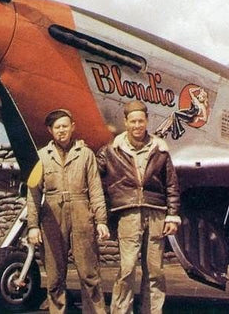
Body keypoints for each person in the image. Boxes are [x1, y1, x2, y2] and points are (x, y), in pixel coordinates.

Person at [97, 100, 181, 314]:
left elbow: (171, 183)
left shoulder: (160, 149)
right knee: (126, 269)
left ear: (147, 121)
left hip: (156, 213)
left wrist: (172, 215)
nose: (137, 125)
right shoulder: (110, 151)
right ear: (125, 122)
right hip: (128, 214)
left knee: (154, 271)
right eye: (133, 121)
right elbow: (91, 176)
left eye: (141, 121)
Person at [26, 108, 110, 314]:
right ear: (50, 130)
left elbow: (96, 189)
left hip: (82, 212)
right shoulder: (41, 157)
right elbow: (33, 194)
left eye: (65, 126)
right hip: (52, 216)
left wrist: (101, 220)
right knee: (54, 275)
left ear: (72, 127)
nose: (61, 131)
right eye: (57, 127)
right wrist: (33, 226)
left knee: (89, 272)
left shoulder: (86, 155)